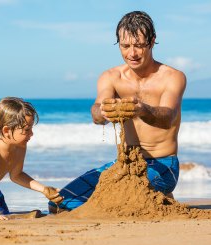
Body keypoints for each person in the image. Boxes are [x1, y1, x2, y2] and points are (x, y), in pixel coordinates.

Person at [49, 11, 186, 213]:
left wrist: (142, 109)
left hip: (163, 163)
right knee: (60, 203)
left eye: (139, 45)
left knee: (118, 202)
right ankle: (155, 199)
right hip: (125, 162)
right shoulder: (111, 77)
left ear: (152, 42)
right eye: (125, 46)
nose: (132, 53)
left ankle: (158, 195)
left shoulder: (172, 76)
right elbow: (97, 113)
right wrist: (103, 111)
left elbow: (167, 118)